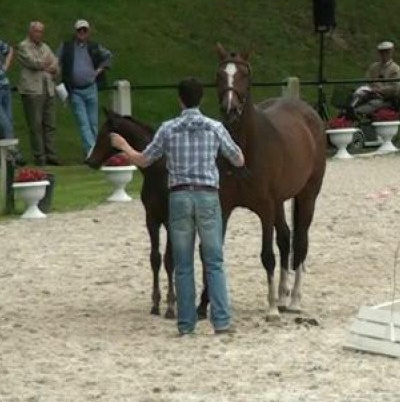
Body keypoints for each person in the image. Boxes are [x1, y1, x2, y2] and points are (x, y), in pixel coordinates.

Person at [109, 77, 245, 336]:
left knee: (183, 263)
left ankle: (186, 324)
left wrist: (123, 145)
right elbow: (238, 160)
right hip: (207, 196)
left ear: (180, 99)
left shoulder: (168, 129)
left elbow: (144, 159)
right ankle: (221, 321)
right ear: (201, 99)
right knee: (214, 260)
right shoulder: (214, 127)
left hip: (180, 196)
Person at [57, 19, 113, 158]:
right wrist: (57, 73)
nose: (82, 33)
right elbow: (55, 60)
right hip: (75, 90)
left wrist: (99, 70)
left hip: (91, 88)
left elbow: (108, 56)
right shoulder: (67, 46)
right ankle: (92, 151)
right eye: (79, 30)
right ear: (75, 32)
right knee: (83, 123)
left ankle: (95, 151)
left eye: (84, 30)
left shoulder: (93, 46)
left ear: (88, 32)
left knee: (93, 123)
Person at [16, 21, 61, 166]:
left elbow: (56, 64)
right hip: (32, 90)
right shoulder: (23, 46)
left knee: (50, 124)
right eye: (36, 31)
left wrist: (50, 66)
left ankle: (52, 155)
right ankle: (39, 156)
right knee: (35, 125)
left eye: (41, 31)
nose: (39, 34)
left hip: (48, 88)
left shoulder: (45, 46)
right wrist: (46, 64)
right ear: (30, 32)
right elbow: (33, 63)